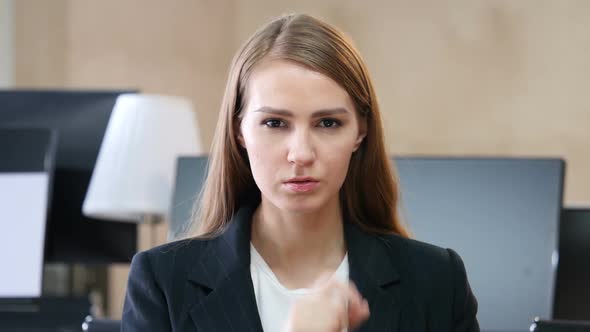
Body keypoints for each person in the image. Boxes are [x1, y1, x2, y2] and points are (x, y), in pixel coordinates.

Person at [122, 13, 479, 332]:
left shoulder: (436, 281)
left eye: (328, 123)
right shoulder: (163, 282)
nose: (301, 153)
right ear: (238, 131)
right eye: (275, 123)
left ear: (360, 132)